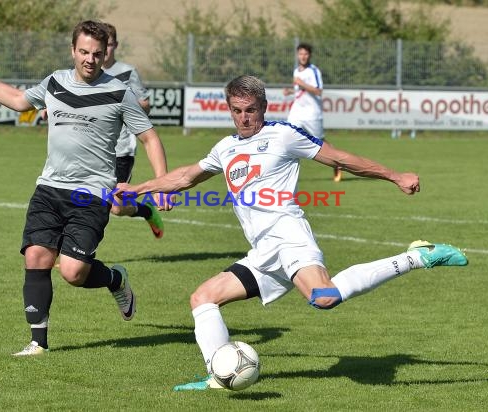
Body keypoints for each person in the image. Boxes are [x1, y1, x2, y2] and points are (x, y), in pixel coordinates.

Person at [117, 75, 469, 390]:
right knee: (203, 299)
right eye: (237, 110)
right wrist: (140, 188)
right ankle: (217, 375)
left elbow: (339, 159)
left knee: (324, 297)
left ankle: (418, 256)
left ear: (264, 107)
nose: (244, 117)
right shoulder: (225, 148)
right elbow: (184, 178)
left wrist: (394, 175)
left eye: (251, 109)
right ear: (229, 110)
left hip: (289, 238)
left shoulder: (283, 135)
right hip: (263, 252)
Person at [0, 20, 170, 356]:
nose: (90, 59)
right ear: (73, 50)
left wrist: (161, 186)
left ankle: (115, 279)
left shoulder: (119, 92)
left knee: (73, 272)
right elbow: (17, 100)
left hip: (90, 194)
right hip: (49, 187)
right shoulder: (54, 82)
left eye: (97, 54)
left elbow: (149, 137)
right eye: (84, 51)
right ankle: (37, 343)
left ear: (105, 55)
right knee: (36, 257)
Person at [102, 23, 166, 238]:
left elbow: (145, 105)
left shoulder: (127, 72)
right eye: (103, 44)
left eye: (110, 44)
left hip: (122, 148)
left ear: (115, 45)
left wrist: (125, 104)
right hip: (94, 149)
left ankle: (146, 210)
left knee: (117, 207)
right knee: (85, 201)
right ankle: (73, 255)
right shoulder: (86, 72)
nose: (106, 49)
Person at [283, 42, 342, 182]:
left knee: (320, 142)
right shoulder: (296, 71)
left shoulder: (314, 71)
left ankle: (337, 163)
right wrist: (290, 91)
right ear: (297, 55)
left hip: (312, 113)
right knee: (286, 135)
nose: (303, 56)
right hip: (297, 111)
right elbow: (299, 90)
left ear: (309, 55)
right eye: (301, 54)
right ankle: (284, 174)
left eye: (306, 54)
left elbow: (318, 91)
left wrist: (301, 83)